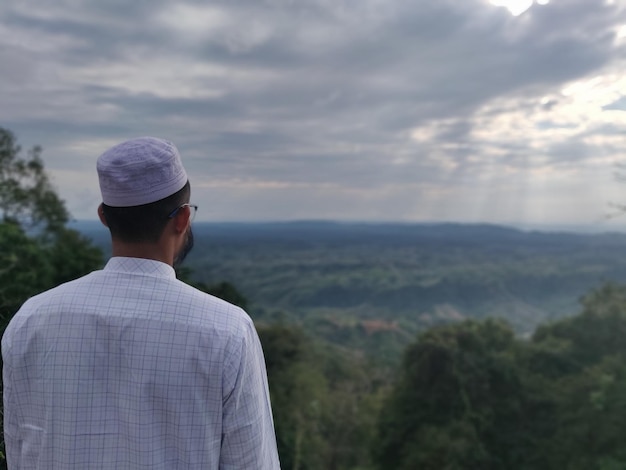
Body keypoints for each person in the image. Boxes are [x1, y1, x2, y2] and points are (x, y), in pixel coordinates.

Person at [2, 137, 281, 469]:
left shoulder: (31, 319)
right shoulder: (228, 330)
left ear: (104, 217)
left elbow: (19, 449)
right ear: (182, 219)